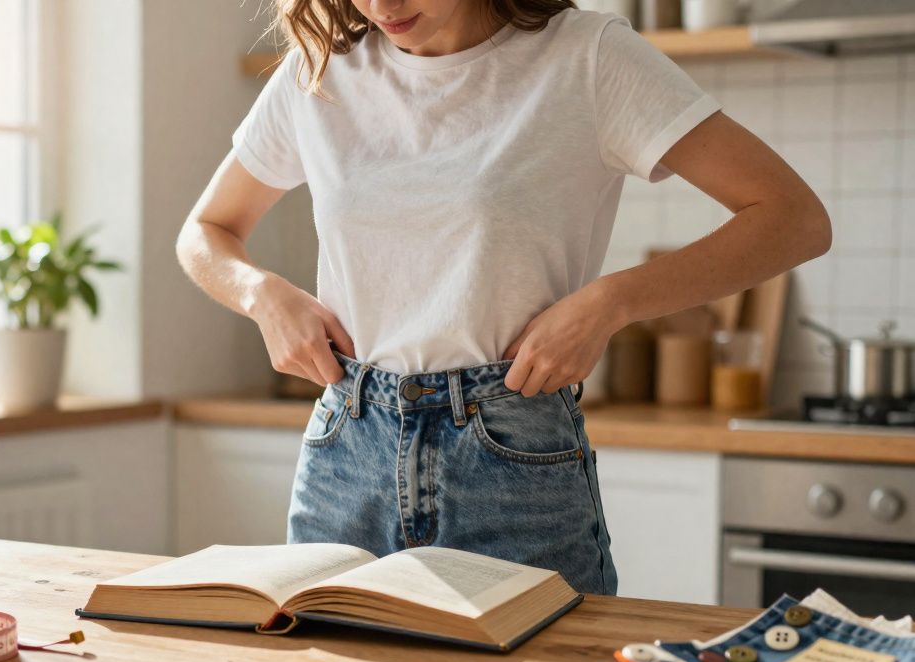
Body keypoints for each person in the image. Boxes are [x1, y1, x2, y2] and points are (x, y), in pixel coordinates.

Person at [175, 0, 830, 595]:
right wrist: (262, 296)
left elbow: (793, 217)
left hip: (510, 451)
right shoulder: (317, 74)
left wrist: (609, 303)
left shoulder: (586, 55)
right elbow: (205, 232)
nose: (381, 6)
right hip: (346, 447)